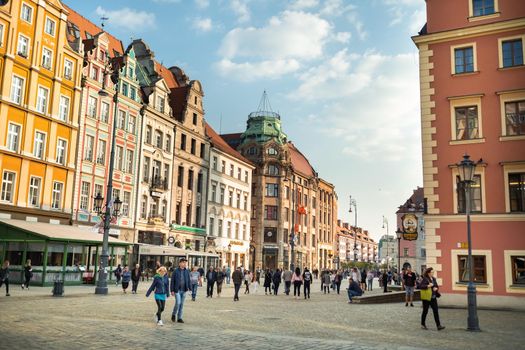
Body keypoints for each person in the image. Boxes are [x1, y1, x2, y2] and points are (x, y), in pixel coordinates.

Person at [170, 258, 191, 323]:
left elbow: (188, 280)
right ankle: (174, 314)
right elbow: (172, 281)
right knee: (178, 303)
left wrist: (190, 288)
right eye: (183, 262)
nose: (185, 264)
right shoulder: (175, 271)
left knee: (181, 304)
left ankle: (179, 318)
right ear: (180, 263)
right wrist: (172, 290)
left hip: (184, 290)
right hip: (177, 290)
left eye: (185, 263)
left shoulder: (187, 271)